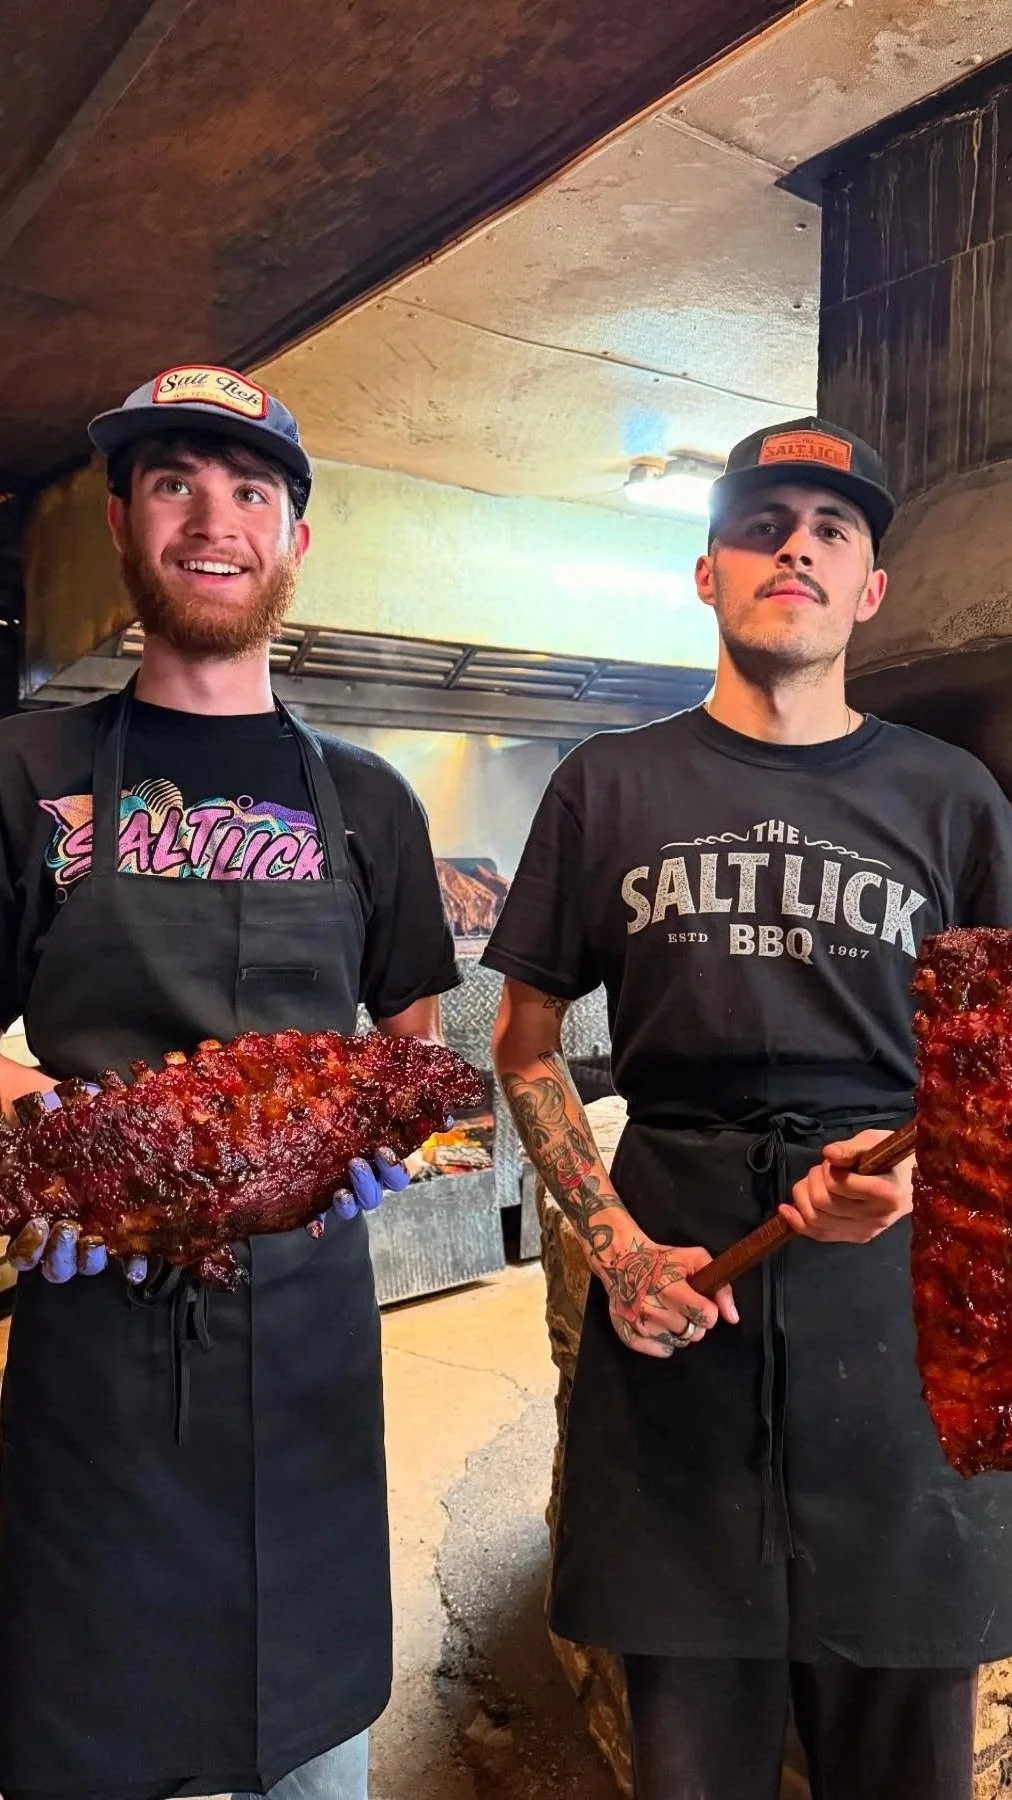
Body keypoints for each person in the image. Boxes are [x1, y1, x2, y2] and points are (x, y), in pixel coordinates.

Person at [484, 417, 1012, 1800]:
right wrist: (615, 1249)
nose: (797, 546)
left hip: (890, 1323)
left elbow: (1001, 1071)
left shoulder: (952, 800)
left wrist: (919, 1174)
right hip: (680, 1310)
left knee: (905, 1762)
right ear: (708, 572)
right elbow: (528, 1045)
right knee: (692, 1767)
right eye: (761, 524)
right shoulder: (608, 784)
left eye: (831, 531)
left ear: (870, 590)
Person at [0, 365, 460, 1800]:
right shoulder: (30, 770)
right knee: (86, 1732)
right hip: (91, 1335)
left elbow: (414, 1037)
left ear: (295, 540)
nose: (216, 518)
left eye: (251, 489)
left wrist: (387, 1131)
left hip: (307, 1345)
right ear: (129, 529)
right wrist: (31, 1135)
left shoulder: (368, 799)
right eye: (175, 483)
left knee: (310, 1753)